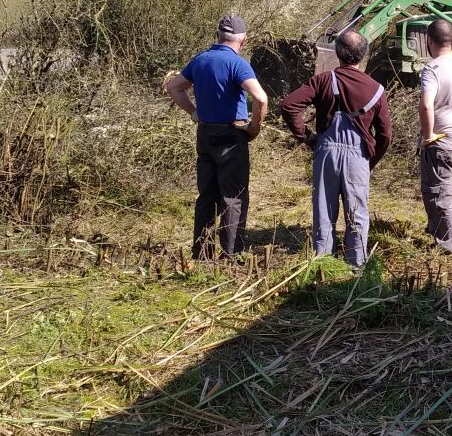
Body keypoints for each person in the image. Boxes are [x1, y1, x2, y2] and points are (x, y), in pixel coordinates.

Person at [281, 29, 391, 267]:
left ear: (338, 53)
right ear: (363, 55)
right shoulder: (377, 90)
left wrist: (308, 138)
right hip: (358, 157)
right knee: (357, 214)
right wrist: (369, 161)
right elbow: (385, 135)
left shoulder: (323, 80)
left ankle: (322, 263)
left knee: (323, 210)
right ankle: (356, 267)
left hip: (326, 152)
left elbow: (289, 105)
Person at [165, 14, 269, 259]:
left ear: (219, 36)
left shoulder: (200, 60)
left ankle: (201, 252)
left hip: (205, 135)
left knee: (206, 196)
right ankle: (231, 254)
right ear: (243, 40)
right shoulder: (238, 64)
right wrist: (254, 127)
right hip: (231, 137)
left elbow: (173, 87)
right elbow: (261, 98)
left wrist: (194, 113)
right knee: (232, 197)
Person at [418, 19, 452, 255]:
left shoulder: (432, 69)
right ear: (451, 39)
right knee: (432, 185)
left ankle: (448, 246)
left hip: (442, 139)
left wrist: (428, 135)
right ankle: (435, 228)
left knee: (440, 191)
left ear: (429, 41)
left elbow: (426, 106)